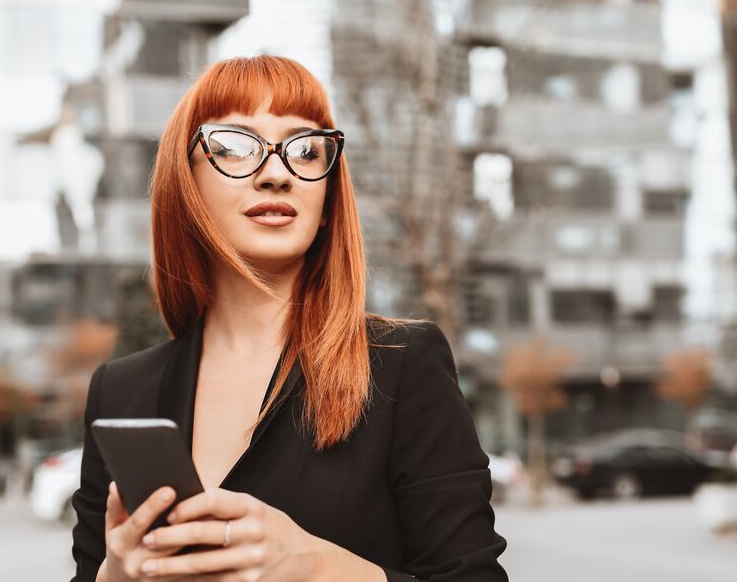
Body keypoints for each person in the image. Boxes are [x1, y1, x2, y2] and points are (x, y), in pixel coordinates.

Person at [70, 55, 507, 581]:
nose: (277, 174)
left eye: (305, 149)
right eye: (233, 145)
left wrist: (318, 568)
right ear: (185, 185)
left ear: (326, 198)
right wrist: (117, 573)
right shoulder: (121, 391)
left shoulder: (401, 365)